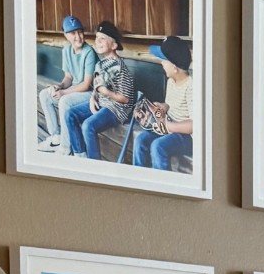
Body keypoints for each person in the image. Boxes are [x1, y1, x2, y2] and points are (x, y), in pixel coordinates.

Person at [64, 20, 135, 160]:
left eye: (102, 39)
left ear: (114, 45)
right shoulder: (100, 64)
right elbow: (97, 86)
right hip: (102, 103)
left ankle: (94, 163)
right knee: (70, 114)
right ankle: (80, 155)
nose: (97, 41)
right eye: (96, 38)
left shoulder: (120, 67)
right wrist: (93, 98)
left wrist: (106, 92)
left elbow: (126, 99)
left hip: (116, 109)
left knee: (88, 125)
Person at [131, 36, 194, 173]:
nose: (161, 64)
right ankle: (139, 178)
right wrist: (159, 107)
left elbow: (193, 126)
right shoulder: (172, 81)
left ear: (174, 67)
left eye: (163, 61)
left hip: (186, 136)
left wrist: (168, 125)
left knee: (158, 146)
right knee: (141, 139)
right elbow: (169, 105)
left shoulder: (191, 86)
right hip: (169, 127)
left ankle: (161, 185)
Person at [37, 15, 97, 155]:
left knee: (64, 101)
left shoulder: (89, 52)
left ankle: (65, 147)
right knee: (45, 95)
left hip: (90, 94)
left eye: (80, 31)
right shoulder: (66, 50)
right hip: (74, 90)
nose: (78, 36)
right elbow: (68, 77)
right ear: (65, 35)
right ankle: (55, 137)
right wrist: (60, 86)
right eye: (72, 33)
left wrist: (64, 93)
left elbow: (87, 85)